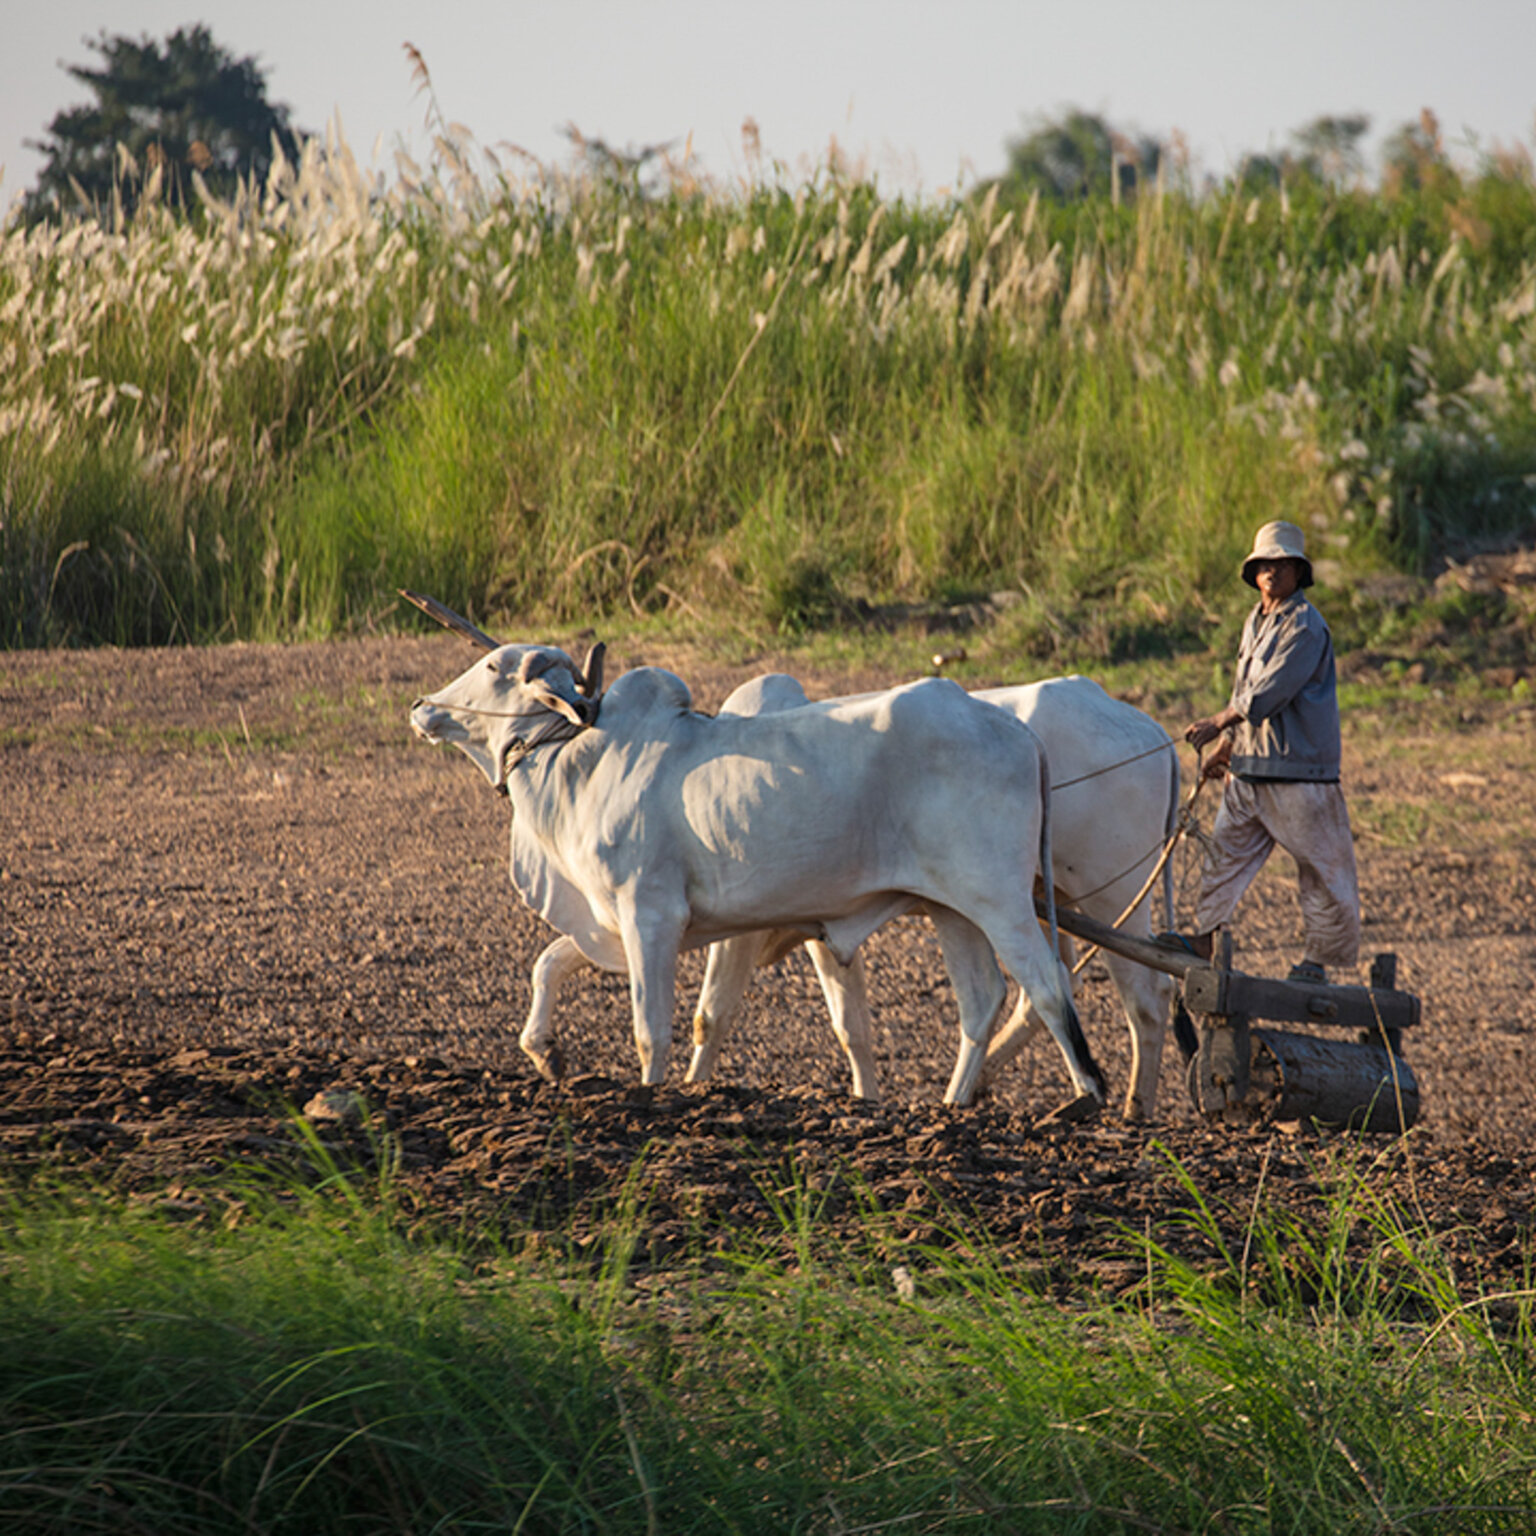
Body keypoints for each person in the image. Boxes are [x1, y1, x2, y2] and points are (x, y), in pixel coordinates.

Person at [1180, 520, 1361, 983]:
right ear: (1253, 572)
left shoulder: (1305, 625)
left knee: (1321, 871)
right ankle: (1205, 938)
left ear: (1299, 573)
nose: (1272, 571)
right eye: (1265, 564)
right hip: (1250, 771)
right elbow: (1245, 685)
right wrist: (1226, 747)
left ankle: (1318, 965)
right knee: (1223, 859)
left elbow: (1266, 692)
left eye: (1282, 564)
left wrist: (1218, 722)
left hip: (1301, 776)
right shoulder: (1255, 621)